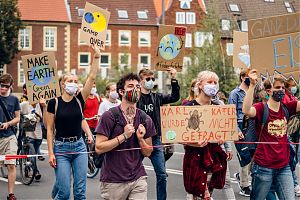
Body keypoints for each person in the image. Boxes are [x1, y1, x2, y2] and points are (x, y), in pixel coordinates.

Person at [46, 45, 98, 200]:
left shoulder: (80, 100)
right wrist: (50, 153)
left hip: (79, 147)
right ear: (63, 84)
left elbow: (92, 77)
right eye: (70, 81)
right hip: (61, 149)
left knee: (80, 193)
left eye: (76, 81)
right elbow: (49, 129)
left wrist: (96, 56)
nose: (74, 83)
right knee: (64, 193)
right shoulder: (53, 103)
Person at [95, 73, 156, 199]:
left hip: (138, 177)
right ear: (121, 92)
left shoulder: (145, 119)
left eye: (138, 87)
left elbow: (148, 152)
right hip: (113, 180)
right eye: (131, 86)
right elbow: (99, 148)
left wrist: (140, 140)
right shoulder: (109, 116)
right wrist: (124, 135)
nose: (135, 89)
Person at [243, 69, 300, 200]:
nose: (281, 90)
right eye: (277, 87)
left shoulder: (287, 107)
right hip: (263, 167)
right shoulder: (261, 108)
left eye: (283, 88)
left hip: (284, 167)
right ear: (269, 91)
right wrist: (252, 85)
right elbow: (246, 110)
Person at [137, 67, 180, 200]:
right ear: (141, 81)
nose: (150, 81)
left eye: (152, 79)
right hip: (137, 141)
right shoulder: (135, 98)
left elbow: (175, 97)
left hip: (155, 140)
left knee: (162, 174)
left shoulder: (157, 97)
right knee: (132, 172)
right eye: (147, 79)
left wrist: (173, 78)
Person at [183, 71, 227, 200]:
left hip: (213, 159)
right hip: (195, 160)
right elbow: (180, 137)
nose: (213, 85)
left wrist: (221, 138)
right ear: (200, 85)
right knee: (198, 195)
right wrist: (194, 143)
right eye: (209, 82)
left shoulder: (218, 108)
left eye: (215, 82)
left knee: (207, 193)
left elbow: (223, 131)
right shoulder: (188, 107)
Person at [228, 69, 252, 197]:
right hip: (240, 126)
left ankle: (240, 176)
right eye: (249, 76)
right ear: (243, 77)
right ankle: (244, 185)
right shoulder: (235, 93)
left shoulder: (253, 92)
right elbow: (231, 113)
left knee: (253, 155)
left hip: (251, 126)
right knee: (244, 155)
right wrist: (236, 130)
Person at [0, 74, 20, 200]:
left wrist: (8, 124)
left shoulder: (14, 99)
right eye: (1, 85)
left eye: (6, 86)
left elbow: (18, 118)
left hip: (9, 136)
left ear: (11, 86)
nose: (2, 88)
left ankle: (11, 194)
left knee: (11, 164)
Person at [20, 95, 47, 180]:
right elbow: (16, 112)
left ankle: (30, 166)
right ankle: (36, 171)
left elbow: (45, 119)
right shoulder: (24, 104)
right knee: (32, 154)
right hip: (28, 133)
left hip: (38, 133)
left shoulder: (41, 105)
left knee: (34, 153)